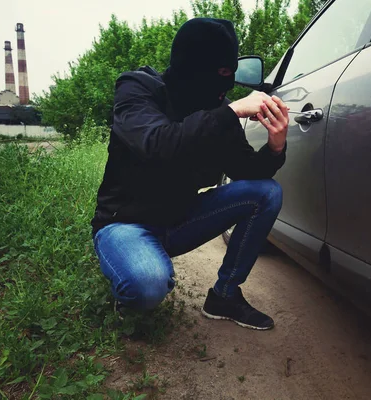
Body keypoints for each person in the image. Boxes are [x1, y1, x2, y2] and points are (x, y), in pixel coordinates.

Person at [91, 18, 289, 330]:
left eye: (231, 72)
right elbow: (158, 143)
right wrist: (232, 112)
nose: (227, 82)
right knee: (148, 285)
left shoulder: (216, 107)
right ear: (194, 65)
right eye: (223, 72)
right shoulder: (138, 89)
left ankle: (224, 296)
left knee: (267, 192)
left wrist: (275, 148)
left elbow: (246, 171)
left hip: (180, 221)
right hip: (125, 223)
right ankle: (128, 278)